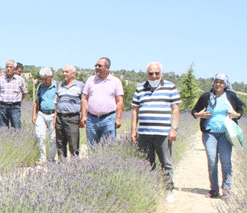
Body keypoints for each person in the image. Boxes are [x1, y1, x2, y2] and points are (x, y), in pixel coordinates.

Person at [131, 62, 181, 203]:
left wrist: (174, 128)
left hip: (163, 133)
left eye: (157, 73)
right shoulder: (140, 88)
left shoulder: (170, 87)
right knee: (147, 163)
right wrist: (133, 131)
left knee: (165, 162)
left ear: (161, 74)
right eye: (151, 73)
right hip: (144, 133)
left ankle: (168, 189)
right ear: (146, 74)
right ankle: (150, 190)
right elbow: (135, 111)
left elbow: (175, 109)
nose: (154, 76)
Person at [192, 73, 244, 198]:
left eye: (221, 82)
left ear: (225, 84)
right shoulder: (206, 96)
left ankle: (226, 189)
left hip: (225, 134)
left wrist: (235, 114)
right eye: (216, 82)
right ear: (213, 83)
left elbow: (240, 110)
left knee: (225, 161)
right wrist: (199, 115)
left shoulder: (230, 96)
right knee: (212, 160)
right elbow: (194, 111)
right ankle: (214, 190)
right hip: (209, 133)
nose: (218, 84)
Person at [80, 57, 124, 145]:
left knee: (109, 147)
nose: (96, 67)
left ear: (107, 67)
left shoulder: (116, 81)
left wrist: (118, 118)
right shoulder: (90, 80)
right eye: (95, 65)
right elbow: (84, 98)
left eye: (99, 65)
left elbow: (120, 101)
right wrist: (84, 116)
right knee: (91, 147)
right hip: (92, 119)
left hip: (108, 119)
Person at [54, 65, 84, 159]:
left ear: (73, 73)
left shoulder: (80, 85)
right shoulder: (60, 86)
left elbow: (84, 102)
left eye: (66, 72)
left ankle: (75, 166)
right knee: (60, 143)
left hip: (72, 118)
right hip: (60, 117)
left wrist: (83, 116)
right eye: (63, 72)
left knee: (73, 144)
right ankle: (62, 166)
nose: (64, 74)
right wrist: (55, 118)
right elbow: (56, 102)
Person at [32, 67, 57, 163]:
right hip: (41, 114)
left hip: (53, 114)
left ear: (51, 77)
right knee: (40, 135)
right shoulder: (40, 87)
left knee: (53, 138)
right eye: (42, 79)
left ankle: (51, 159)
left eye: (46, 79)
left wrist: (56, 117)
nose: (44, 81)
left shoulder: (57, 86)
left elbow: (58, 103)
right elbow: (36, 102)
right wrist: (34, 114)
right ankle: (42, 158)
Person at [0, 60, 27, 129]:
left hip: (15, 107)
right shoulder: (0, 80)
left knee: (16, 127)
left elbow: (24, 92)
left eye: (10, 67)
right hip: (3, 107)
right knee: (3, 128)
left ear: (14, 69)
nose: (8, 69)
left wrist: (19, 100)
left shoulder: (20, 80)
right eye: (7, 67)